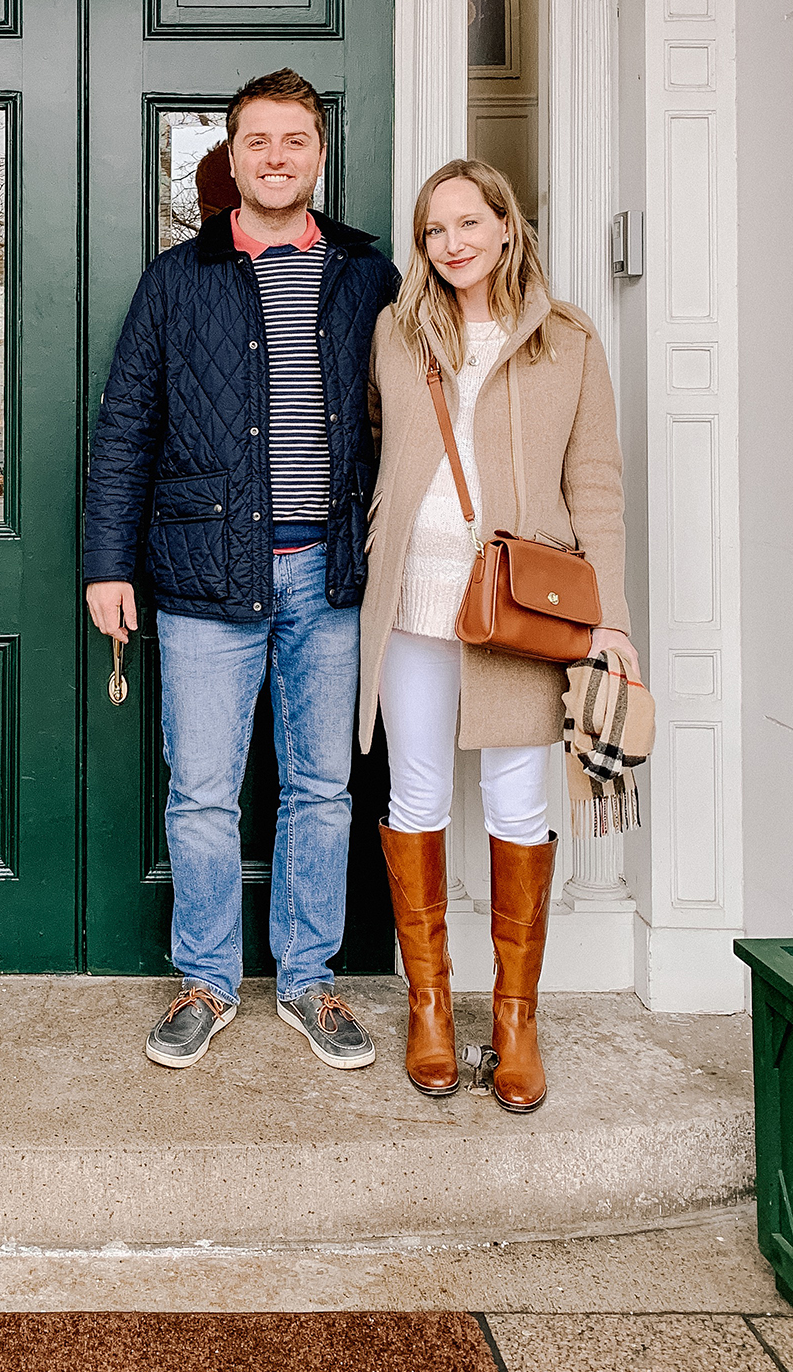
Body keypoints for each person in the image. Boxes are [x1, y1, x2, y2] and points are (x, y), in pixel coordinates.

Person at [84, 68, 399, 1069]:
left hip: (332, 575)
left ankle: (308, 982)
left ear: (317, 152)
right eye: (255, 140)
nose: (274, 156)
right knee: (203, 788)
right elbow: (125, 423)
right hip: (203, 575)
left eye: (293, 139)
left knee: (319, 786)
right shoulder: (178, 277)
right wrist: (106, 560)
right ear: (228, 158)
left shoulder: (366, 274)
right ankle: (207, 980)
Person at [361, 159, 637, 1112]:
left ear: (507, 227)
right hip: (411, 604)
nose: (452, 243)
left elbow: (593, 484)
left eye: (469, 222)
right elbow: (377, 446)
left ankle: (514, 1014)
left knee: (519, 806)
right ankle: (429, 1003)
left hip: (522, 611)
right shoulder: (398, 335)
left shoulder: (567, 340)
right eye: (434, 229)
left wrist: (609, 622)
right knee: (416, 794)